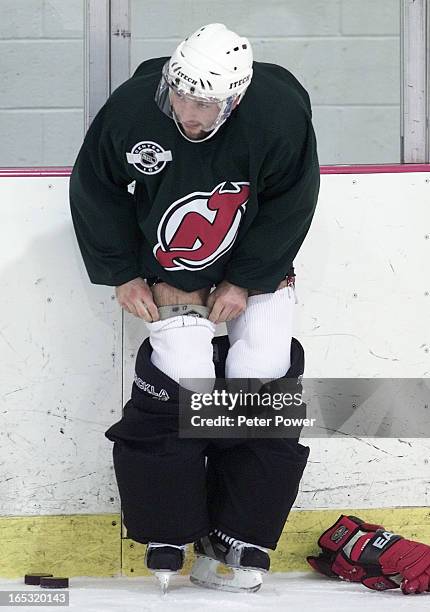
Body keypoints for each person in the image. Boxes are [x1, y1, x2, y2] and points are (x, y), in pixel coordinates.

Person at [69, 23, 320, 592]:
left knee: (262, 373)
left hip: (254, 258)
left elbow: (293, 200)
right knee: (187, 379)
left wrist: (248, 280)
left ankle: (242, 531)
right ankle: (169, 527)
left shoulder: (277, 117)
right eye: (179, 96)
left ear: (234, 98)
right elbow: (95, 187)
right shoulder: (133, 110)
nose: (188, 113)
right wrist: (122, 272)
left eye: (205, 104)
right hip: (172, 265)